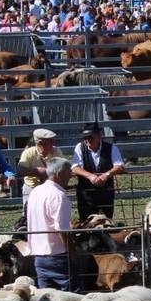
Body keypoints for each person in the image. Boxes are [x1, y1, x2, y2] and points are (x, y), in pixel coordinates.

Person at [26, 157, 74, 291]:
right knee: (71, 297)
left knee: (47, 298)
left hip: (39, 257)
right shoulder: (59, 196)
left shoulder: (35, 192)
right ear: (59, 175)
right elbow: (62, 229)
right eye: (68, 172)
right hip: (57, 256)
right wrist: (73, 253)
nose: (71, 175)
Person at [69, 122, 124, 221]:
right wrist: (90, 176)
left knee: (106, 222)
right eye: (85, 137)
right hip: (86, 195)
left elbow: (119, 166)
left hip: (106, 194)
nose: (87, 140)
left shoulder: (111, 147)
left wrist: (106, 175)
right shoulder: (80, 147)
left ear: (99, 135)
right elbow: (75, 167)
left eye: (90, 137)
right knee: (86, 224)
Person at [17, 128, 62, 221]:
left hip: (50, 188)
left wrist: (47, 171)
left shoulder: (56, 151)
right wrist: (37, 171)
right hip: (31, 188)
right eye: (50, 141)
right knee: (29, 216)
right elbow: (20, 169)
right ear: (40, 143)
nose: (53, 143)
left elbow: (63, 168)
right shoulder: (29, 153)